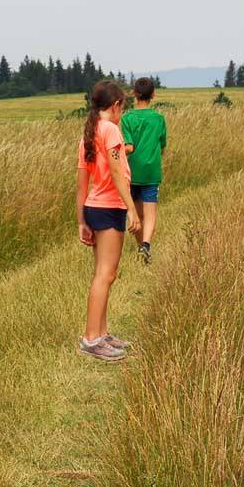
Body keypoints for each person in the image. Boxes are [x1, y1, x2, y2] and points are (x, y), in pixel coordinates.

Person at [76, 80, 142, 362]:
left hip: (93, 207)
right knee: (106, 274)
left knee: (102, 273)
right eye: (122, 109)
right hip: (109, 208)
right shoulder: (110, 130)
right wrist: (133, 209)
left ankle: (101, 333)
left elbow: (81, 184)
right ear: (115, 106)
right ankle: (92, 339)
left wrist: (81, 219)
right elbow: (117, 172)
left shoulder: (89, 133)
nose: (121, 115)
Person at [121, 77, 167, 264]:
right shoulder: (159, 119)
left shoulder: (126, 119)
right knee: (150, 213)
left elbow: (127, 145)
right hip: (151, 172)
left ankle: (143, 246)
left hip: (131, 173)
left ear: (134, 94)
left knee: (137, 214)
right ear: (153, 95)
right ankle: (145, 246)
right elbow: (162, 145)